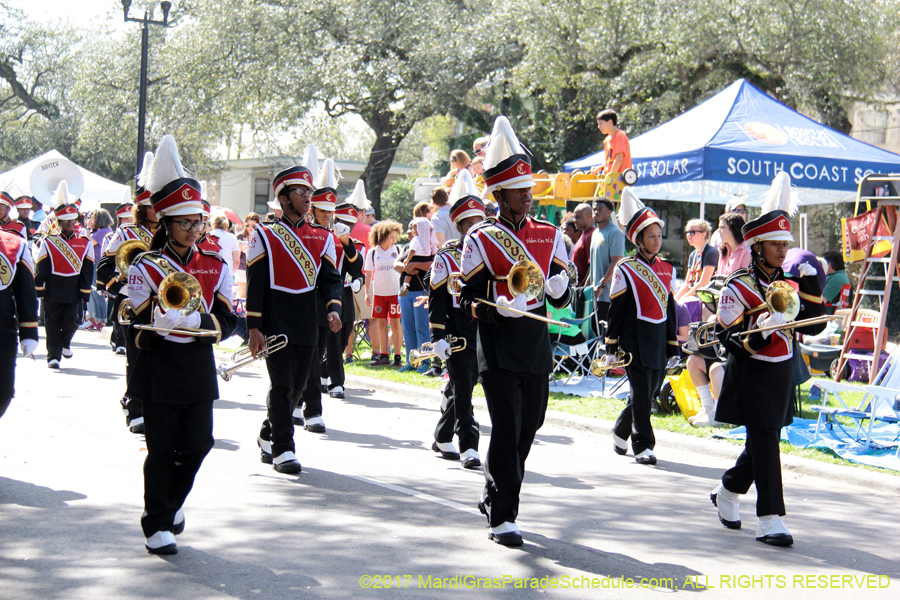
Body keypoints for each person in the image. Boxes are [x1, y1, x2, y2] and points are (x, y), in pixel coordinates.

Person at [459, 116, 572, 547]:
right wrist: (495, 305)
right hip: (498, 346)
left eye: (529, 188)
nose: (528, 195)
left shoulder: (549, 234)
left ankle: (493, 493)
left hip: (536, 346)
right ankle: (504, 515)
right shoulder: (480, 238)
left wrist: (561, 289)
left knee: (530, 426)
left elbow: (561, 293)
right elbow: (467, 298)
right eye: (518, 189)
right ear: (499, 194)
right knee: (507, 428)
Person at [125, 135, 236, 555]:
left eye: (198, 223)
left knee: (199, 443)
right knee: (161, 449)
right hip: (158, 366)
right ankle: (156, 522)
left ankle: (169, 504)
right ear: (166, 223)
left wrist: (198, 321)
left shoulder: (215, 263)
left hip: (197, 365)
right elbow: (135, 328)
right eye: (185, 223)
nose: (193, 230)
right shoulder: (144, 265)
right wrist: (159, 320)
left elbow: (229, 318)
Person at [711, 173, 826, 547]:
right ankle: (770, 518)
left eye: (785, 244)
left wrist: (811, 285)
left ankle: (728, 491)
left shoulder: (788, 283)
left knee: (765, 440)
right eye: (775, 244)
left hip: (781, 374)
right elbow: (728, 339)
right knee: (766, 442)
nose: (782, 250)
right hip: (753, 374)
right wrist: (761, 329)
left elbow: (816, 326)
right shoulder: (738, 284)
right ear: (757, 247)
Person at [247, 161, 343, 474]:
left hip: (307, 322)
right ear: (284, 198)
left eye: (308, 190)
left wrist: (333, 308)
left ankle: (269, 432)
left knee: (299, 387)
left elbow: (330, 279)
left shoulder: (322, 236)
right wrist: (254, 327)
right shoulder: (264, 234)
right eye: (300, 190)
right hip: (275, 322)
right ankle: (283, 449)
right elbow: (255, 285)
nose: (306, 196)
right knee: (282, 385)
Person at [605, 188, 679, 465]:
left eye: (659, 235)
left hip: (658, 339)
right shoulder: (625, 268)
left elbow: (669, 310)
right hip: (633, 340)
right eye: (651, 236)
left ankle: (620, 430)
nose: (657, 241)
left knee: (649, 392)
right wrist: (611, 346)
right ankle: (643, 445)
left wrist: (673, 346)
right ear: (638, 240)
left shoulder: (668, 268)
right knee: (641, 393)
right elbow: (616, 310)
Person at [293, 158, 361, 430]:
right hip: (301, 302)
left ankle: (301, 403)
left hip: (328, 302)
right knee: (305, 357)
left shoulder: (337, 235)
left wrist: (346, 242)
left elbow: (353, 268)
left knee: (315, 353)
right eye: (323, 211)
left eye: (330, 212)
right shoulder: (300, 232)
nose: (328, 216)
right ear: (312, 209)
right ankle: (307, 407)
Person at [97, 153, 159, 433]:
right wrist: (121, 290)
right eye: (150, 206)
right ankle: (136, 411)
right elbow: (103, 268)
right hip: (132, 304)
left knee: (156, 359)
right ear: (141, 208)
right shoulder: (125, 232)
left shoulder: (171, 233)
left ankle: (145, 404)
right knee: (135, 356)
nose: (155, 211)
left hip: (162, 304)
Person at [427, 171, 484, 468]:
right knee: (463, 389)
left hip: (483, 329)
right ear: (459, 226)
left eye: (479, 222)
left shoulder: (489, 254)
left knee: (467, 386)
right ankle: (469, 445)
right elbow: (437, 299)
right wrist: (437, 337)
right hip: (456, 331)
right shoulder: (446, 256)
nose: (475, 228)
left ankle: (442, 435)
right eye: (469, 223)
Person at [34, 181, 93, 370]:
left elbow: (87, 270)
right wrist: (39, 288)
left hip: (73, 290)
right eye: (66, 221)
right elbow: (41, 267)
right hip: (53, 289)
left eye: (72, 220)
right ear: (59, 222)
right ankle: (53, 356)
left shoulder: (85, 242)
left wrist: (85, 292)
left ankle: (65, 343)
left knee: (72, 320)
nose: (70, 223)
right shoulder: (49, 241)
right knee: (52, 323)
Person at [0, 228, 39, 420]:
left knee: (4, 392)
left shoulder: (15, 244)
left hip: (2, 332)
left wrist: (29, 332)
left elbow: (26, 291)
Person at [395, 220, 434, 374]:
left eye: (414, 228)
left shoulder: (430, 246)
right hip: (405, 293)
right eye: (410, 228)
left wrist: (415, 265)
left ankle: (425, 361)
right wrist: (407, 269)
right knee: (407, 328)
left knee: (422, 328)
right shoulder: (407, 247)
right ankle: (411, 361)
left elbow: (433, 264)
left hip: (421, 292)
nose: (411, 231)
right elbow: (396, 264)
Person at [364, 220, 403, 367]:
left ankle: (398, 356)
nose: (394, 240)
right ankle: (384, 355)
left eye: (395, 237)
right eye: (391, 237)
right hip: (379, 293)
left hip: (395, 293)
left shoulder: (398, 250)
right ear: (381, 236)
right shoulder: (373, 252)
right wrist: (367, 293)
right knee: (381, 323)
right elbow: (368, 274)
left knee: (395, 323)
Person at [335, 202, 366, 363]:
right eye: (344, 223)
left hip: (345, 292)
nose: (348, 227)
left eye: (351, 224)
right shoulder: (325, 239)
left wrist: (359, 281)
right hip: (325, 292)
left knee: (346, 329)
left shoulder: (356, 245)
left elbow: (358, 272)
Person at [589, 198, 625, 324]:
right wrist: (586, 286)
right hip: (594, 295)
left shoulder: (615, 233)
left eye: (600, 209)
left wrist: (601, 285)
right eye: (594, 209)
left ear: (609, 212)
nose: (596, 212)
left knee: (604, 332)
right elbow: (593, 264)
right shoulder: (595, 233)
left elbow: (616, 262)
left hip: (607, 296)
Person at [84, 209, 113, 332]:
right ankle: (97, 320)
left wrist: (88, 228)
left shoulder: (103, 232)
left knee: (98, 294)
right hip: (95, 263)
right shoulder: (102, 231)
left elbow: (87, 242)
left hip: (97, 263)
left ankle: (102, 320)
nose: (91, 221)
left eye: (93, 218)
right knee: (94, 294)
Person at [674, 219, 716, 301]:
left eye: (692, 232)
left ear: (703, 234)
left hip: (706, 299)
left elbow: (704, 283)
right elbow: (687, 283)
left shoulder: (711, 252)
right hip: (693, 297)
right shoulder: (693, 255)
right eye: (687, 232)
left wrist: (682, 300)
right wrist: (675, 300)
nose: (688, 235)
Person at [399, 218, 438, 297]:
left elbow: (412, 250)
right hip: (426, 259)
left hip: (416, 258)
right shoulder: (430, 239)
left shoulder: (415, 239)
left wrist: (408, 259)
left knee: (409, 271)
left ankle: (405, 285)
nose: (412, 231)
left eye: (413, 229)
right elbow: (435, 251)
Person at [588, 109, 632, 177]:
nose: (598, 126)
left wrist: (611, 177)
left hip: (620, 179)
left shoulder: (620, 135)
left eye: (601, 123)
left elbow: (619, 159)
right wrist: (600, 168)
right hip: (610, 179)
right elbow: (609, 161)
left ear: (610, 122)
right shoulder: (606, 140)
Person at [235, 213, 260, 300]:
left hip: (255, 268)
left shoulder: (260, 237)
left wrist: (250, 249)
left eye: (253, 226)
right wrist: (239, 249)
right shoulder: (240, 236)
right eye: (248, 225)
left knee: (253, 296)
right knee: (242, 296)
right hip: (242, 267)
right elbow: (235, 257)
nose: (250, 228)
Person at [570, 203, 594, 288]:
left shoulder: (591, 235)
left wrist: (583, 287)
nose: (574, 220)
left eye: (578, 218)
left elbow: (592, 266)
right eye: (574, 217)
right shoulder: (584, 234)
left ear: (588, 216)